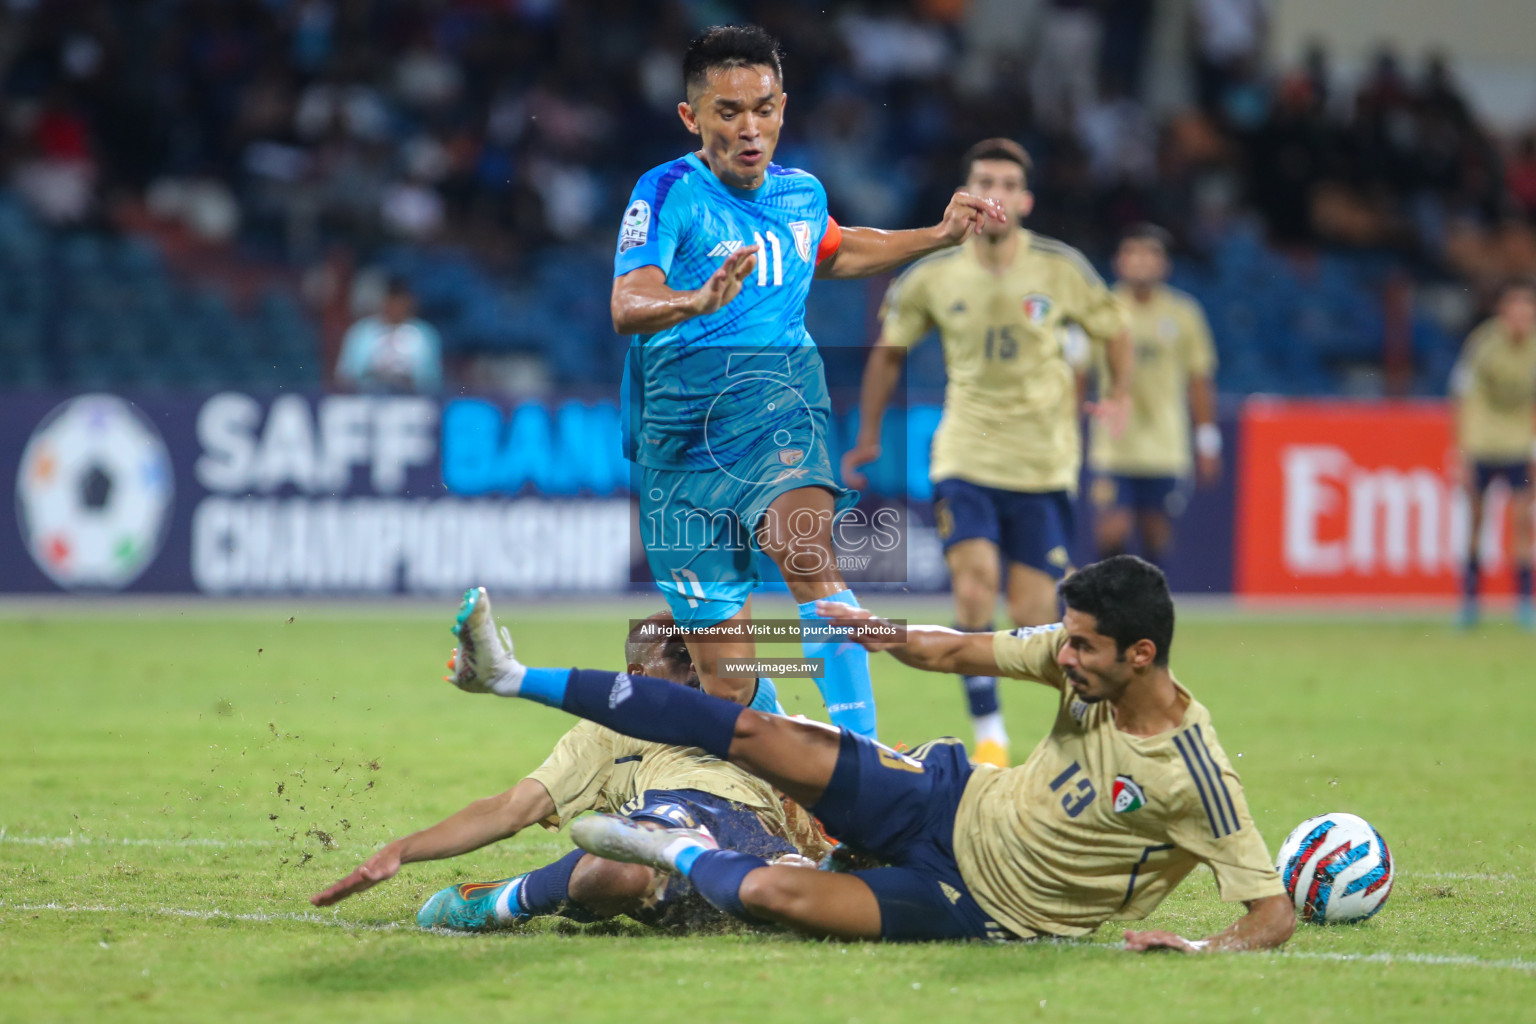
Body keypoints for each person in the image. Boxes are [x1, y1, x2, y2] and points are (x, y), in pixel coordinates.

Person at [443, 557, 1296, 950]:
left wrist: (1199, 950)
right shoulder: (681, 696)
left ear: (1140, 654)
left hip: (970, 901)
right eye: (1063, 643)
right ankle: (511, 673)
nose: (1063, 658)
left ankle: (676, 853)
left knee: (781, 895)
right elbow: (953, 648)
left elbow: (1270, 911)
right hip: (943, 796)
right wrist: (870, 630)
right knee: (746, 728)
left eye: (1082, 648)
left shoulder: (1197, 776)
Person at [612, 25, 1006, 737]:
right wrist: (692, 302)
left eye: (763, 108)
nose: (749, 127)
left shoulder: (802, 194)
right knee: (727, 686)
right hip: (681, 439)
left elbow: (837, 248)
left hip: (779, 407)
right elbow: (626, 303)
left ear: (784, 107)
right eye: (728, 112)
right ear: (691, 117)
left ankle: (865, 763)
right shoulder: (666, 191)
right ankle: (800, 769)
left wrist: (938, 236)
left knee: (805, 551)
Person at [842, 138, 1131, 767]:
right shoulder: (934, 275)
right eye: (984, 182)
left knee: (1033, 619)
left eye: (1007, 183)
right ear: (967, 195)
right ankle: (991, 735)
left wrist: (1120, 396)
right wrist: (868, 435)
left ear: (1024, 199)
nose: (995, 193)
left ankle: (1069, 751)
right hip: (965, 455)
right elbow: (890, 351)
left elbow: (1113, 330)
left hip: (1043, 463)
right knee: (974, 593)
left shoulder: (1061, 269)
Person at [310, 612, 822, 931]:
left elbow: (736, 638)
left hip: (757, 825)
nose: (698, 671)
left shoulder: (739, 695)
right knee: (612, 868)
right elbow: (510, 809)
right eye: (680, 658)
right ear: (638, 677)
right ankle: (497, 902)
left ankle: (801, 871)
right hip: (671, 834)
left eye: (702, 659)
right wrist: (402, 849)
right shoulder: (601, 736)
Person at [1089, 224, 1220, 568]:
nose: (1142, 262)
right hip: (1113, 445)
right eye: (1133, 253)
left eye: (1151, 254)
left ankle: (1148, 613)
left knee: (1156, 532)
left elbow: (1199, 379)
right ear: (1119, 261)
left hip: (1164, 445)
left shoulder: (1183, 313)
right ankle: (1109, 611)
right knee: (1111, 529)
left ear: (1165, 264)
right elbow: (1075, 370)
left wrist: (1207, 440)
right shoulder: (1101, 308)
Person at [1451, 278, 1536, 630]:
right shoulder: (1483, 344)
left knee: (1523, 522)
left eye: (1527, 312)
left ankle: (1523, 604)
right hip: (1482, 443)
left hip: (1518, 444)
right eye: (1516, 311)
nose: (1522, 319)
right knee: (1476, 521)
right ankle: (1470, 604)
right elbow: (1463, 395)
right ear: (1504, 313)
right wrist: (1459, 449)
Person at [334, 276, 443, 393]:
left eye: (400, 302)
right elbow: (346, 374)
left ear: (409, 303)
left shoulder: (424, 334)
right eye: (392, 301)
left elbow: (431, 380)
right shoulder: (362, 332)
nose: (396, 307)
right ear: (383, 301)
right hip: (366, 399)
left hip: (412, 400)